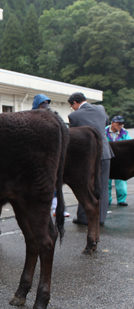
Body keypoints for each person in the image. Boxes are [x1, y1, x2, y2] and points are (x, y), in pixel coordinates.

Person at [68, 92, 112, 226]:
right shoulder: (101, 109)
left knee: (84, 186)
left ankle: (84, 218)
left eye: (72, 106)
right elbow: (107, 122)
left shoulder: (74, 116)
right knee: (102, 186)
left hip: (86, 156)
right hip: (104, 152)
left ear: (75, 103)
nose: (72, 108)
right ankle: (100, 219)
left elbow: (74, 136)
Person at [32, 94, 70, 217]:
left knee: (54, 181)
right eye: (43, 105)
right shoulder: (31, 117)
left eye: (46, 105)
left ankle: (56, 207)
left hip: (49, 155)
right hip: (36, 155)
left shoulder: (52, 117)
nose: (45, 108)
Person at [105, 115, 132, 206]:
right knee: (106, 180)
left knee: (121, 181)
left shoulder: (124, 133)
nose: (120, 126)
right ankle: (106, 200)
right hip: (107, 158)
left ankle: (121, 200)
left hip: (120, 160)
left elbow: (129, 145)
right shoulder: (103, 131)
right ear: (112, 123)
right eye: (118, 123)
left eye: (121, 124)